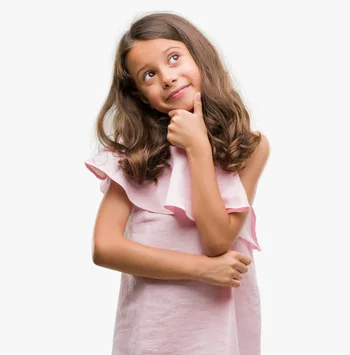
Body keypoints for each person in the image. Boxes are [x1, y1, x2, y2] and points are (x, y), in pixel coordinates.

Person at [85, 12, 270, 355]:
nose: (168, 78)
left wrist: (198, 147)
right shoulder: (134, 157)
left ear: (198, 57)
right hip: (152, 334)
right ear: (141, 96)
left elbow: (217, 240)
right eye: (150, 75)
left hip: (217, 337)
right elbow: (105, 247)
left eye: (174, 58)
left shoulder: (249, 148)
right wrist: (203, 270)